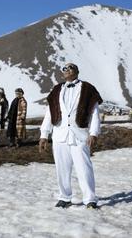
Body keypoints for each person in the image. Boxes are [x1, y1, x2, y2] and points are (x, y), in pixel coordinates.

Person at [39, 63, 103, 209]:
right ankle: (64, 197)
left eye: (70, 68)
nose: (67, 70)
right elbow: (50, 113)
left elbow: (94, 113)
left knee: (84, 168)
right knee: (62, 169)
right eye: (64, 69)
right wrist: (44, 134)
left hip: (79, 135)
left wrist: (93, 133)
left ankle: (90, 199)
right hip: (60, 135)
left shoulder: (87, 89)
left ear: (77, 71)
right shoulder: (57, 89)